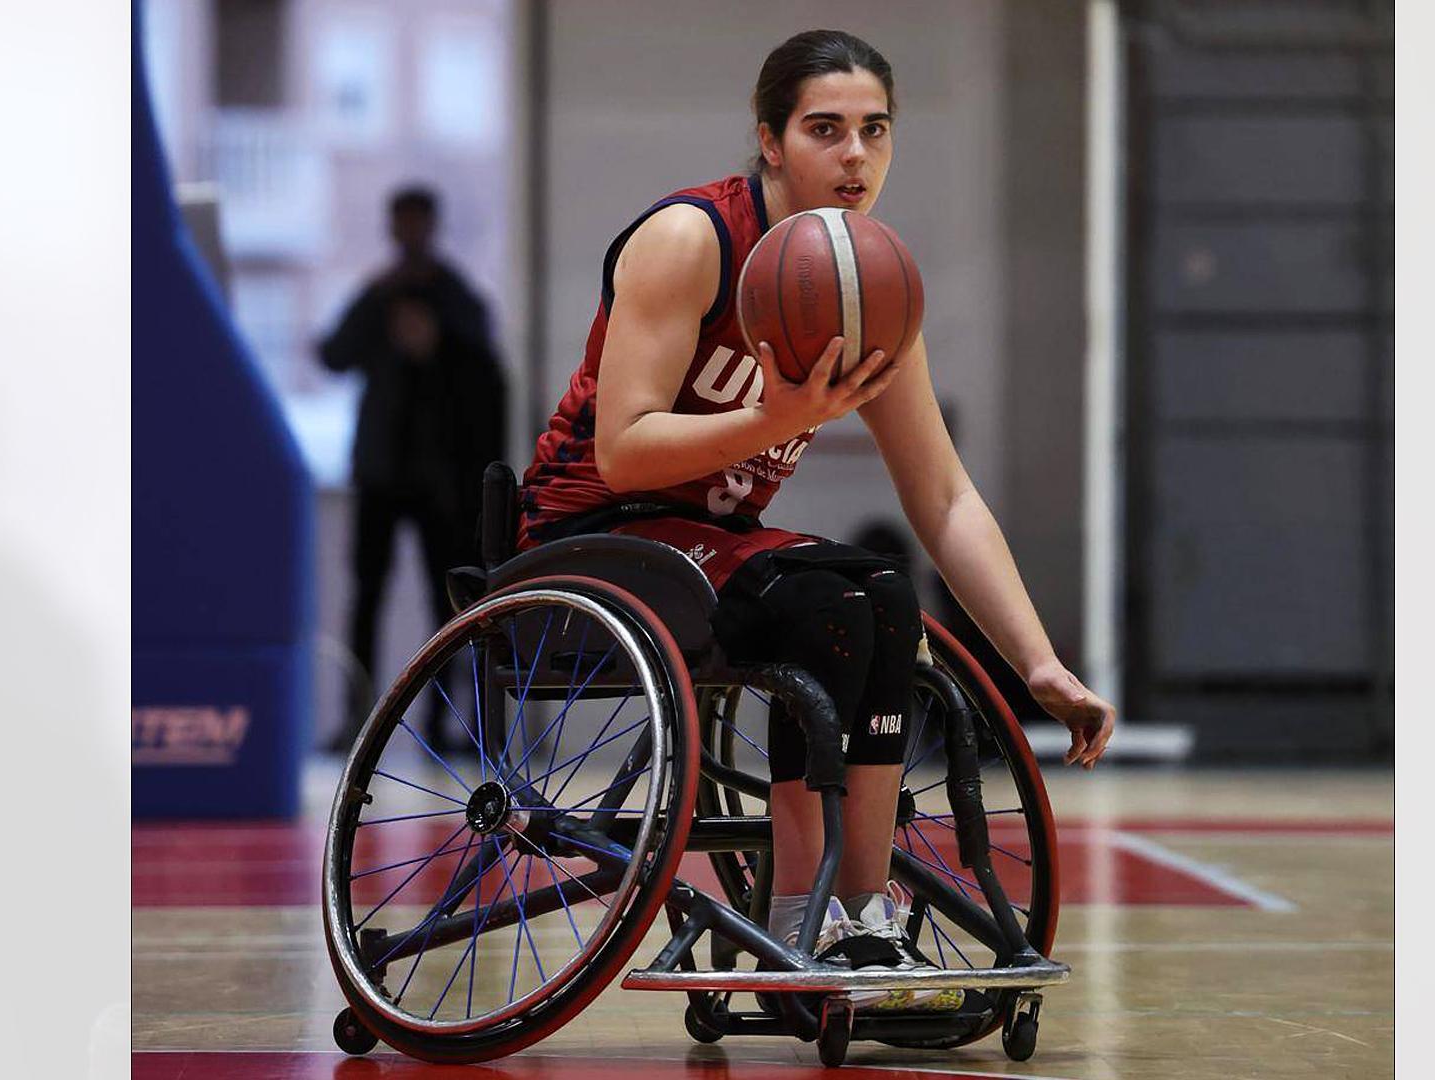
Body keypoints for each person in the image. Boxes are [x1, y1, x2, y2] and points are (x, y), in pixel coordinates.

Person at [514, 29, 1114, 1008]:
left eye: (875, 131)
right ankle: (803, 919)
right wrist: (775, 418)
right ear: (770, 141)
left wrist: (1036, 660)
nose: (855, 156)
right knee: (817, 600)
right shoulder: (690, 240)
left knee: (877, 589)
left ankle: (859, 919)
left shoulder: (874, 287)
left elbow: (945, 495)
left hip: (712, 550)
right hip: (591, 540)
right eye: (825, 129)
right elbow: (622, 448)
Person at [320, 185, 506, 748]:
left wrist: (437, 341)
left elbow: (483, 370)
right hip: (380, 474)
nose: (409, 234)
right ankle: (358, 723)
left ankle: (442, 723)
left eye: (417, 222)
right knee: (366, 599)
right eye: (401, 223)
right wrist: (374, 302)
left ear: (431, 225)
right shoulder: (378, 297)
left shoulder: (455, 298)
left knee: (445, 600)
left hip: (438, 481)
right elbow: (333, 355)